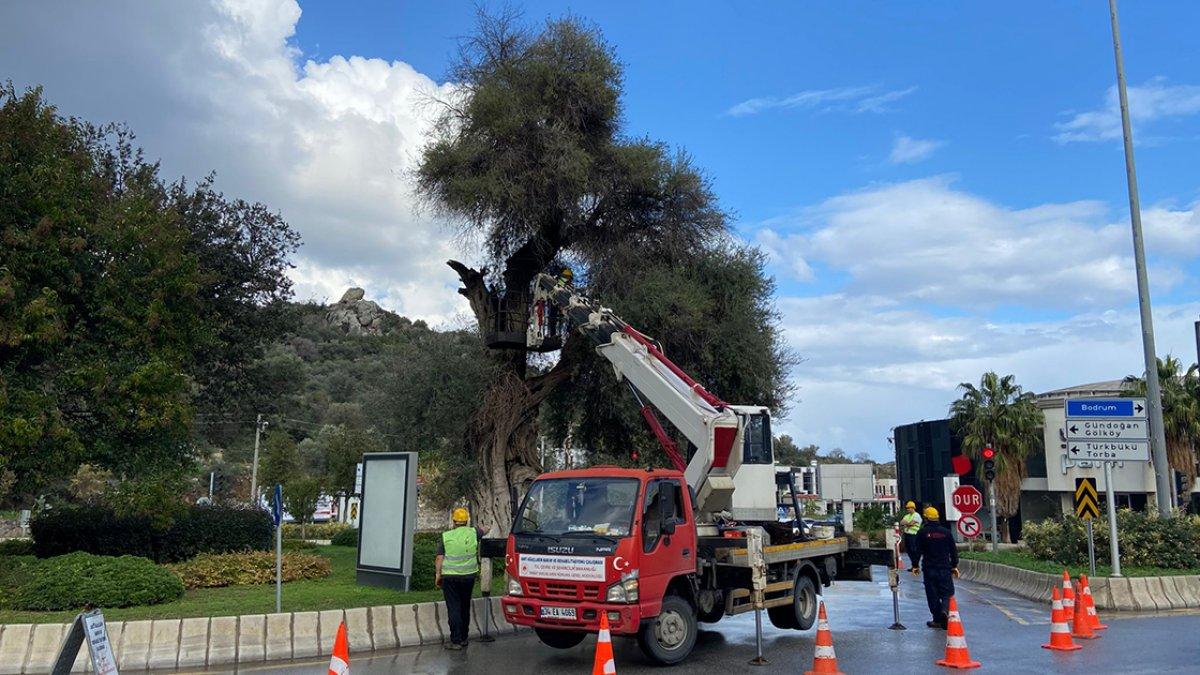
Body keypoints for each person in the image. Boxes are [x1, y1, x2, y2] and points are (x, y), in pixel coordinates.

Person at [435, 507, 483, 650]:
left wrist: (438, 574)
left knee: (454, 607)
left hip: (450, 577)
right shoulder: (474, 532)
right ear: (467, 520)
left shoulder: (446, 536)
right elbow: (485, 530)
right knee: (464, 606)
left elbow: (439, 558)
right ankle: (463, 638)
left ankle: (455, 641)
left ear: (454, 521)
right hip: (469, 576)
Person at [909, 506, 959, 629]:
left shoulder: (922, 533)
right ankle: (945, 610)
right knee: (947, 593)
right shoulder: (946, 533)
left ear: (926, 518)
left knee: (932, 594)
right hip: (944, 568)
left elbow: (917, 551)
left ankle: (937, 619)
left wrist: (915, 565)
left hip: (929, 568)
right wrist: (954, 566)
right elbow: (953, 551)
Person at [899, 501, 922, 568]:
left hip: (914, 535)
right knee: (909, 551)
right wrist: (908, 523)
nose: (908, 509)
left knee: (913, 550)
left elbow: (911, 524)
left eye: (909, 508)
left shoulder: (917, 515)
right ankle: (914, 565)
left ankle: (915, 565)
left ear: (913, 508)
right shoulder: (907, 516)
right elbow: (901, 522)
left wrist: (907, 523)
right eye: (907, 508)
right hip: (907, 535)